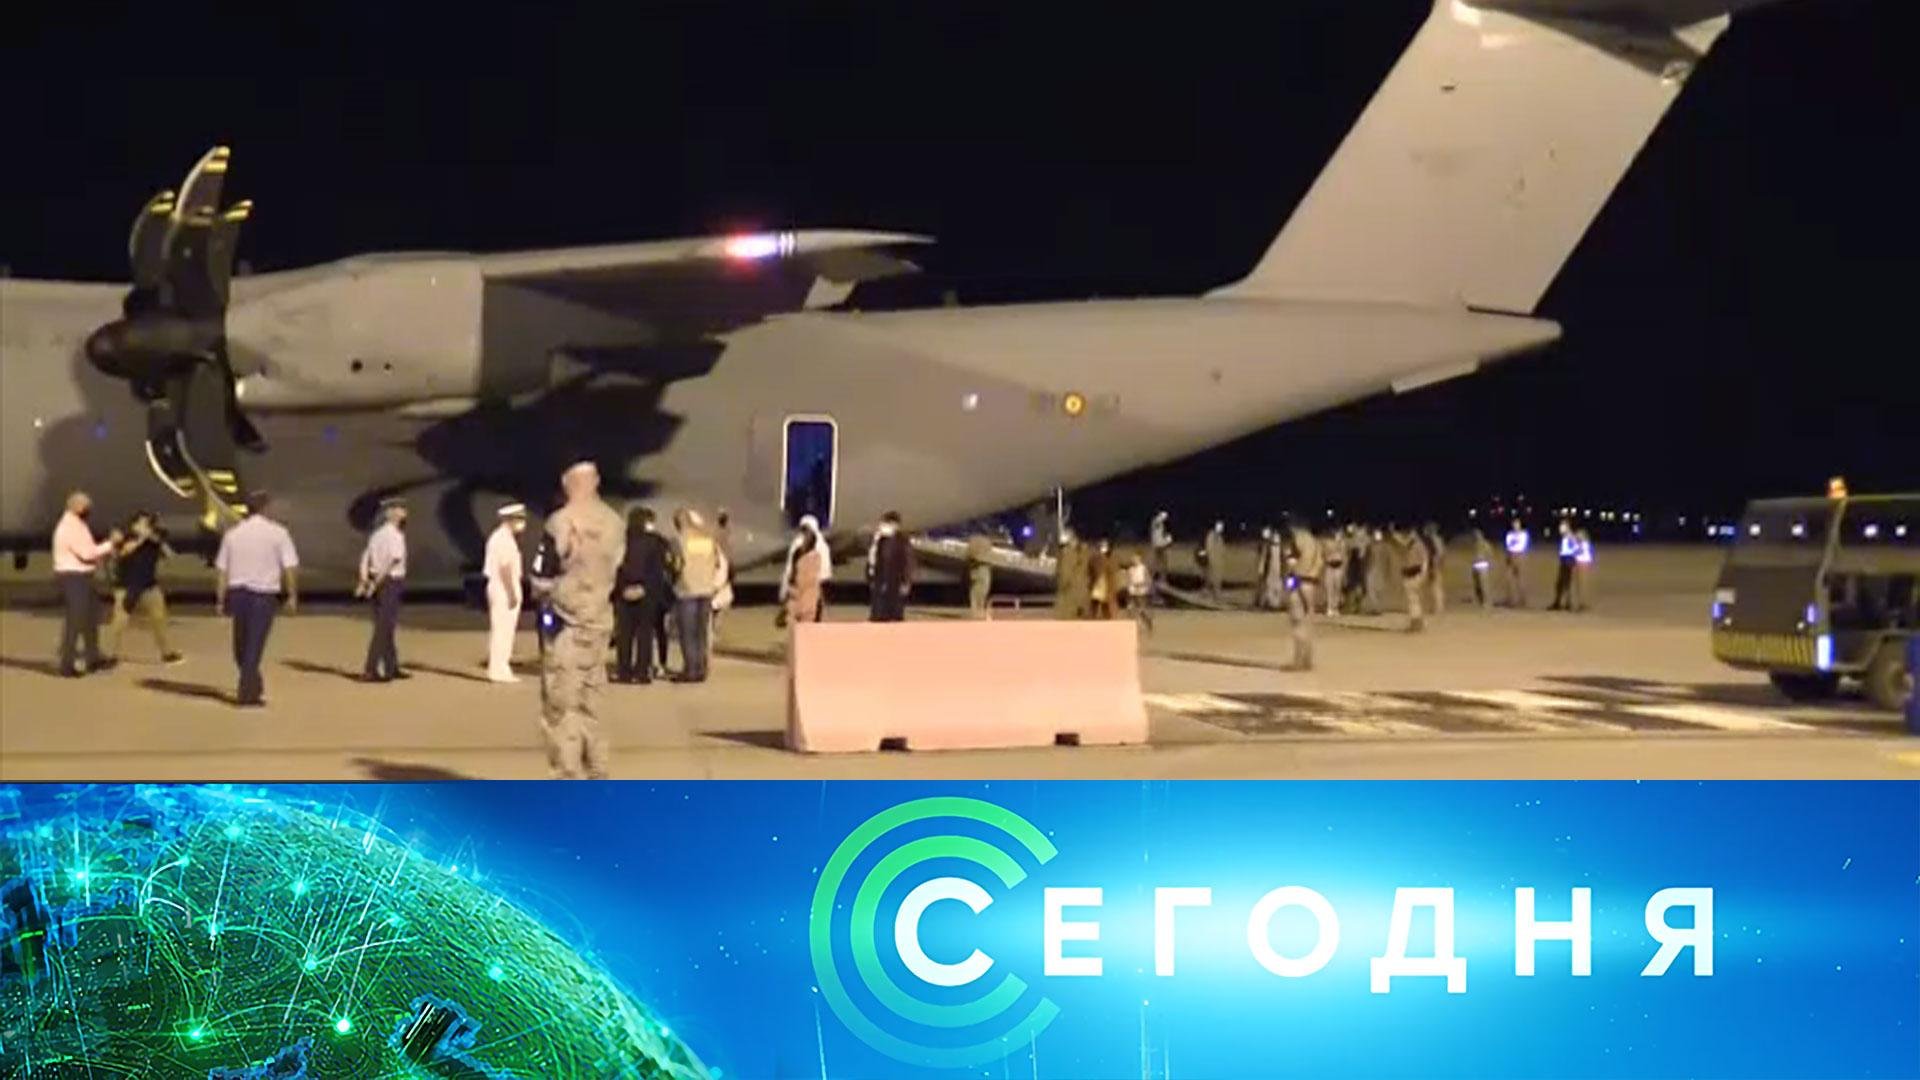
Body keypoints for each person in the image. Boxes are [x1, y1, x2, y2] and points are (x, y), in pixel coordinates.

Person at [537, 462, 625, 778]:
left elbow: (541, 577)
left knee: (560, 709)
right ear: (596, 481)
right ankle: (598, 774)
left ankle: (567, 780)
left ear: (566, 484)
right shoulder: (614, 522)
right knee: (593, 705)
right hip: (600, 622)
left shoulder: (560, 522)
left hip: (568, 625)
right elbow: (619, 568)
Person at [213, 492, 299, 707]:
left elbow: (222, 569)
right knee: (254, 644)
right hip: (264, 594)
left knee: (241, 646)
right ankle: (248, 692)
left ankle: (250, 686)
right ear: (266, 508)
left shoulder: (233, 534)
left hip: (238, 593)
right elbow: (289, 566)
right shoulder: (278, 533)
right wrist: (292, 594)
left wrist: (220, 598)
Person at [50, 491, 120, 677]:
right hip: (73, 577)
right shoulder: (70, 527)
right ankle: (67, 664)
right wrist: (110, 544)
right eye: (86, 506)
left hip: (83, 576)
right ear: (76, 506)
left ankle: (93, 657)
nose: (89, 510)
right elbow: (87, 553)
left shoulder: (77, 524)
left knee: (90, 617)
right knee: (76, 620)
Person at [105, 510, 182, 665]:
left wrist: (156, 540)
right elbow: (124, 552)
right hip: (127, 585)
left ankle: (166, 653)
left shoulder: (154, 540)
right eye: (142, 523)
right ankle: (110, 654)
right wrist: (141, 538)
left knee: (159, 619)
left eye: (147, 523)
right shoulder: (126, 537)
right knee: (120, 621)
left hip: (149, 585)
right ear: (134, 525)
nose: (145, 526)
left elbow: (170, 555)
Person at [613, 505, 675, 683]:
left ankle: (623, 671)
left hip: (624, 592)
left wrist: (622, 588)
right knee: (645, 634)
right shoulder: (658, 542)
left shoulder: (621, 540)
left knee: (624, 634)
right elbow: (662, 569)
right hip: (647, 593)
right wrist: (647, 588)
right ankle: (642, 671)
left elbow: (614, 566)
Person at [356, 498, 409, 682]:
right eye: (399, 508)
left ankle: (391, 665)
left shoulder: (377, 534)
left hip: (378, 580)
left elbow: (365, 557)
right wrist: (377, 581)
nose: (404, 511)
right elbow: (393, 561)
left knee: (386, 624)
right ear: (390, 513)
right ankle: (370, 669)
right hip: (389, 581)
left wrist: (364, 580)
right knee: (383, 627)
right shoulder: (395, 535)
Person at [672, 507, 725, 681]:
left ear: (678, 523)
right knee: (701, 632)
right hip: (706, 590)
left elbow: (675, 565)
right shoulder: (707, 540)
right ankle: (701, 668)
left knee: (688, 633)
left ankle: (691, 669)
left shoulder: (679, 541)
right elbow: (717, 562)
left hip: (687, 590)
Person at [484, 503, 528, 683]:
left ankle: (502, 666)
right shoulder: (502, 539)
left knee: (506, 630)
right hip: (503, 587)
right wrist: (511, 592)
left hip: (503, 586)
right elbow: (505, 568)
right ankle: (497, 668)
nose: (522, 524)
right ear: (510, 520)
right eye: (520, 519)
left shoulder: (505, 538)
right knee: (502, 630)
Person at [782, 515, 829, 627]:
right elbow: (791, 568)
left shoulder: (819, 547)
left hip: (808, 592)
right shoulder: (799, 546)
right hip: (801, 592)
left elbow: (823, 572)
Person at [867, 511, 914, 622]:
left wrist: (906, 581)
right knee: (878, 613)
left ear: (895, 525)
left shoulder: (902, 541)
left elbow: (908, 562)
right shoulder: (879, 541)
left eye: (886, 523)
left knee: (894, 613)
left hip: (895, 582)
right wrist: (871, 577)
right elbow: (873, 560)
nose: (882, 526)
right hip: (880, 581)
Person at [1282, 534, 1314, 670]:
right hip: (1308, 588)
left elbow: (1293, 579)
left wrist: (1289, 590)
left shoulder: (1293, 564)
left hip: (1298, 593)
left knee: (1298, 628)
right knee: (1306, 628)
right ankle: (1307, 659)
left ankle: (1299, 661)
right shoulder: (1309, 561)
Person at [1394, 524, 1430, 632]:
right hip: (1412, 574)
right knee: (1414, 600)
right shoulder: (1414, 544)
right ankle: (1418, 623)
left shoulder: (1416, 545)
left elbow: (1424, 561)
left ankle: (1416, 623)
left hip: (1414, 574)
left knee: (1413, 600)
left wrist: (1422, 574)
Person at [1054, 530, 1089, 619]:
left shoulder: (1069, 555)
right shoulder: (1079, 553)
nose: (1063, 549)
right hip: (1077, 593)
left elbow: (1064, 575)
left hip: (1071, 594)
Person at [1550, 519, 1578, 611]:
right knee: (1560, 583)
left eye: (1562, 527)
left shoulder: (1570, 537)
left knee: (1566, 583)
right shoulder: (1566, 537)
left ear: (1567, 527)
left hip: (1568, 560)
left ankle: (1567, 603)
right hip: (1564, 560)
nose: (1560, 529)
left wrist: (1571, 555)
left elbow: (1576, 548)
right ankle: (1559, 602)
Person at [1503, 518, 1531, 608]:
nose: (1515, 526)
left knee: (1520, 579)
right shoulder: (1510, 534)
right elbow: (1508, 545)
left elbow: (1522, 545)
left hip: (1519, 556)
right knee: (1508, 578)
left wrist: (1514, 543)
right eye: (1514, 524)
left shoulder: (1523, 534)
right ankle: (1510, 599)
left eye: (1517, 524)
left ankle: (1522, 600)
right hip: (1511, 555)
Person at [1421, 522, 1447, 618]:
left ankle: (1438, 608)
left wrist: (1434, 565)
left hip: (1434, 565)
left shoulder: (1433, 540)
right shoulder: (1437, 540)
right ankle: (1437, 607)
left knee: (1435, 587)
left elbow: (1437, 554)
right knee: (1435, 587)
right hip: (1435, 565)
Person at [965, 533, 993, 617]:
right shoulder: (980, 540)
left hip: (981, 567)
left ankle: (977, 610)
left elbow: (968, 555)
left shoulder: (979, 540)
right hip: (979, 567)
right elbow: (969, 554)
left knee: (980, 590)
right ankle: (977, 610)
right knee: (979, 589)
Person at [1125, 554, 1154, 636]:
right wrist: (1129, 587)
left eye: (1136, 558)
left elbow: (1148, 580)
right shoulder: (1130, 569)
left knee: (1141, 610)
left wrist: (1142, 585)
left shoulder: (1143, 568)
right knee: (1130, 608)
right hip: (1132, 591)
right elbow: (1128, 580)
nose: (1134, 560)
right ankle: (1134, 625)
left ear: (1140, 559)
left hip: (1141, 592)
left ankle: (1148, 623)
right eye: (1133, 558)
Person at [1321, 527, 1347, 616]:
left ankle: (1336, 608)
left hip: (1338, 567)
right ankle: (1329, 607)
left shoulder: (1342, 543)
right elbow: (1324, 553)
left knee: (1337, 588)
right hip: (1329, 567)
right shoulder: (1327, 542)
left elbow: (1344, 556)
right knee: (1329, 588)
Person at [1148, 511, 1173, 599]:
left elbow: (1160, 536)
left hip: (1160, 546)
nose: (1165, 517)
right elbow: (1156, 524)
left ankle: (1163, 581)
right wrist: (1167, 540)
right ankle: (1152, 583)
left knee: (1163, 565)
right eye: (1163, 515)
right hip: (1158, 547)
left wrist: (1167, 540)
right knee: (1156, 565)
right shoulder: (1156, 522)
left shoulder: (1161, 525)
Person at [1203, 521, 1227, 604]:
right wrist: (1210, 559)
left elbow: (1221, 549)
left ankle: (1216, 596)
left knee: (1216, 579)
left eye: (1221, 527)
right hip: (1212, 561)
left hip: (1218, 562)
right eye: (1219, 527)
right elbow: (1209, 548)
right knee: (1211, 578)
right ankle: (1210, 595)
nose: (1220, 529)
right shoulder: (1211, 536)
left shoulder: (1219, 538)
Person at [1471, 530, 1496, 609]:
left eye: (1478, 535)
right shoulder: (1475, 544)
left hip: (1483, 566)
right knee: (1477, 585)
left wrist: (1488, 562)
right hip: (1476, 566)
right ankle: (1480, 600)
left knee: (1484, 585)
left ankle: (1487, 601)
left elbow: (1490, 554)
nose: (1477, 537)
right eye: (1475, 535)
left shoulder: (1485, 544)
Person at [1572, 528, 1596, 612]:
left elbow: (1578, 552)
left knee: (1581, 584)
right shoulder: (1581, 544)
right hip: (1580, 564)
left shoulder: (1584, 544)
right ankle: (1581, 603)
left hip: (1582, 565)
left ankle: (1582, 603)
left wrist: (1575, 544)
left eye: (1579, 535)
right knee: (1579, 585)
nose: (1577, 536)